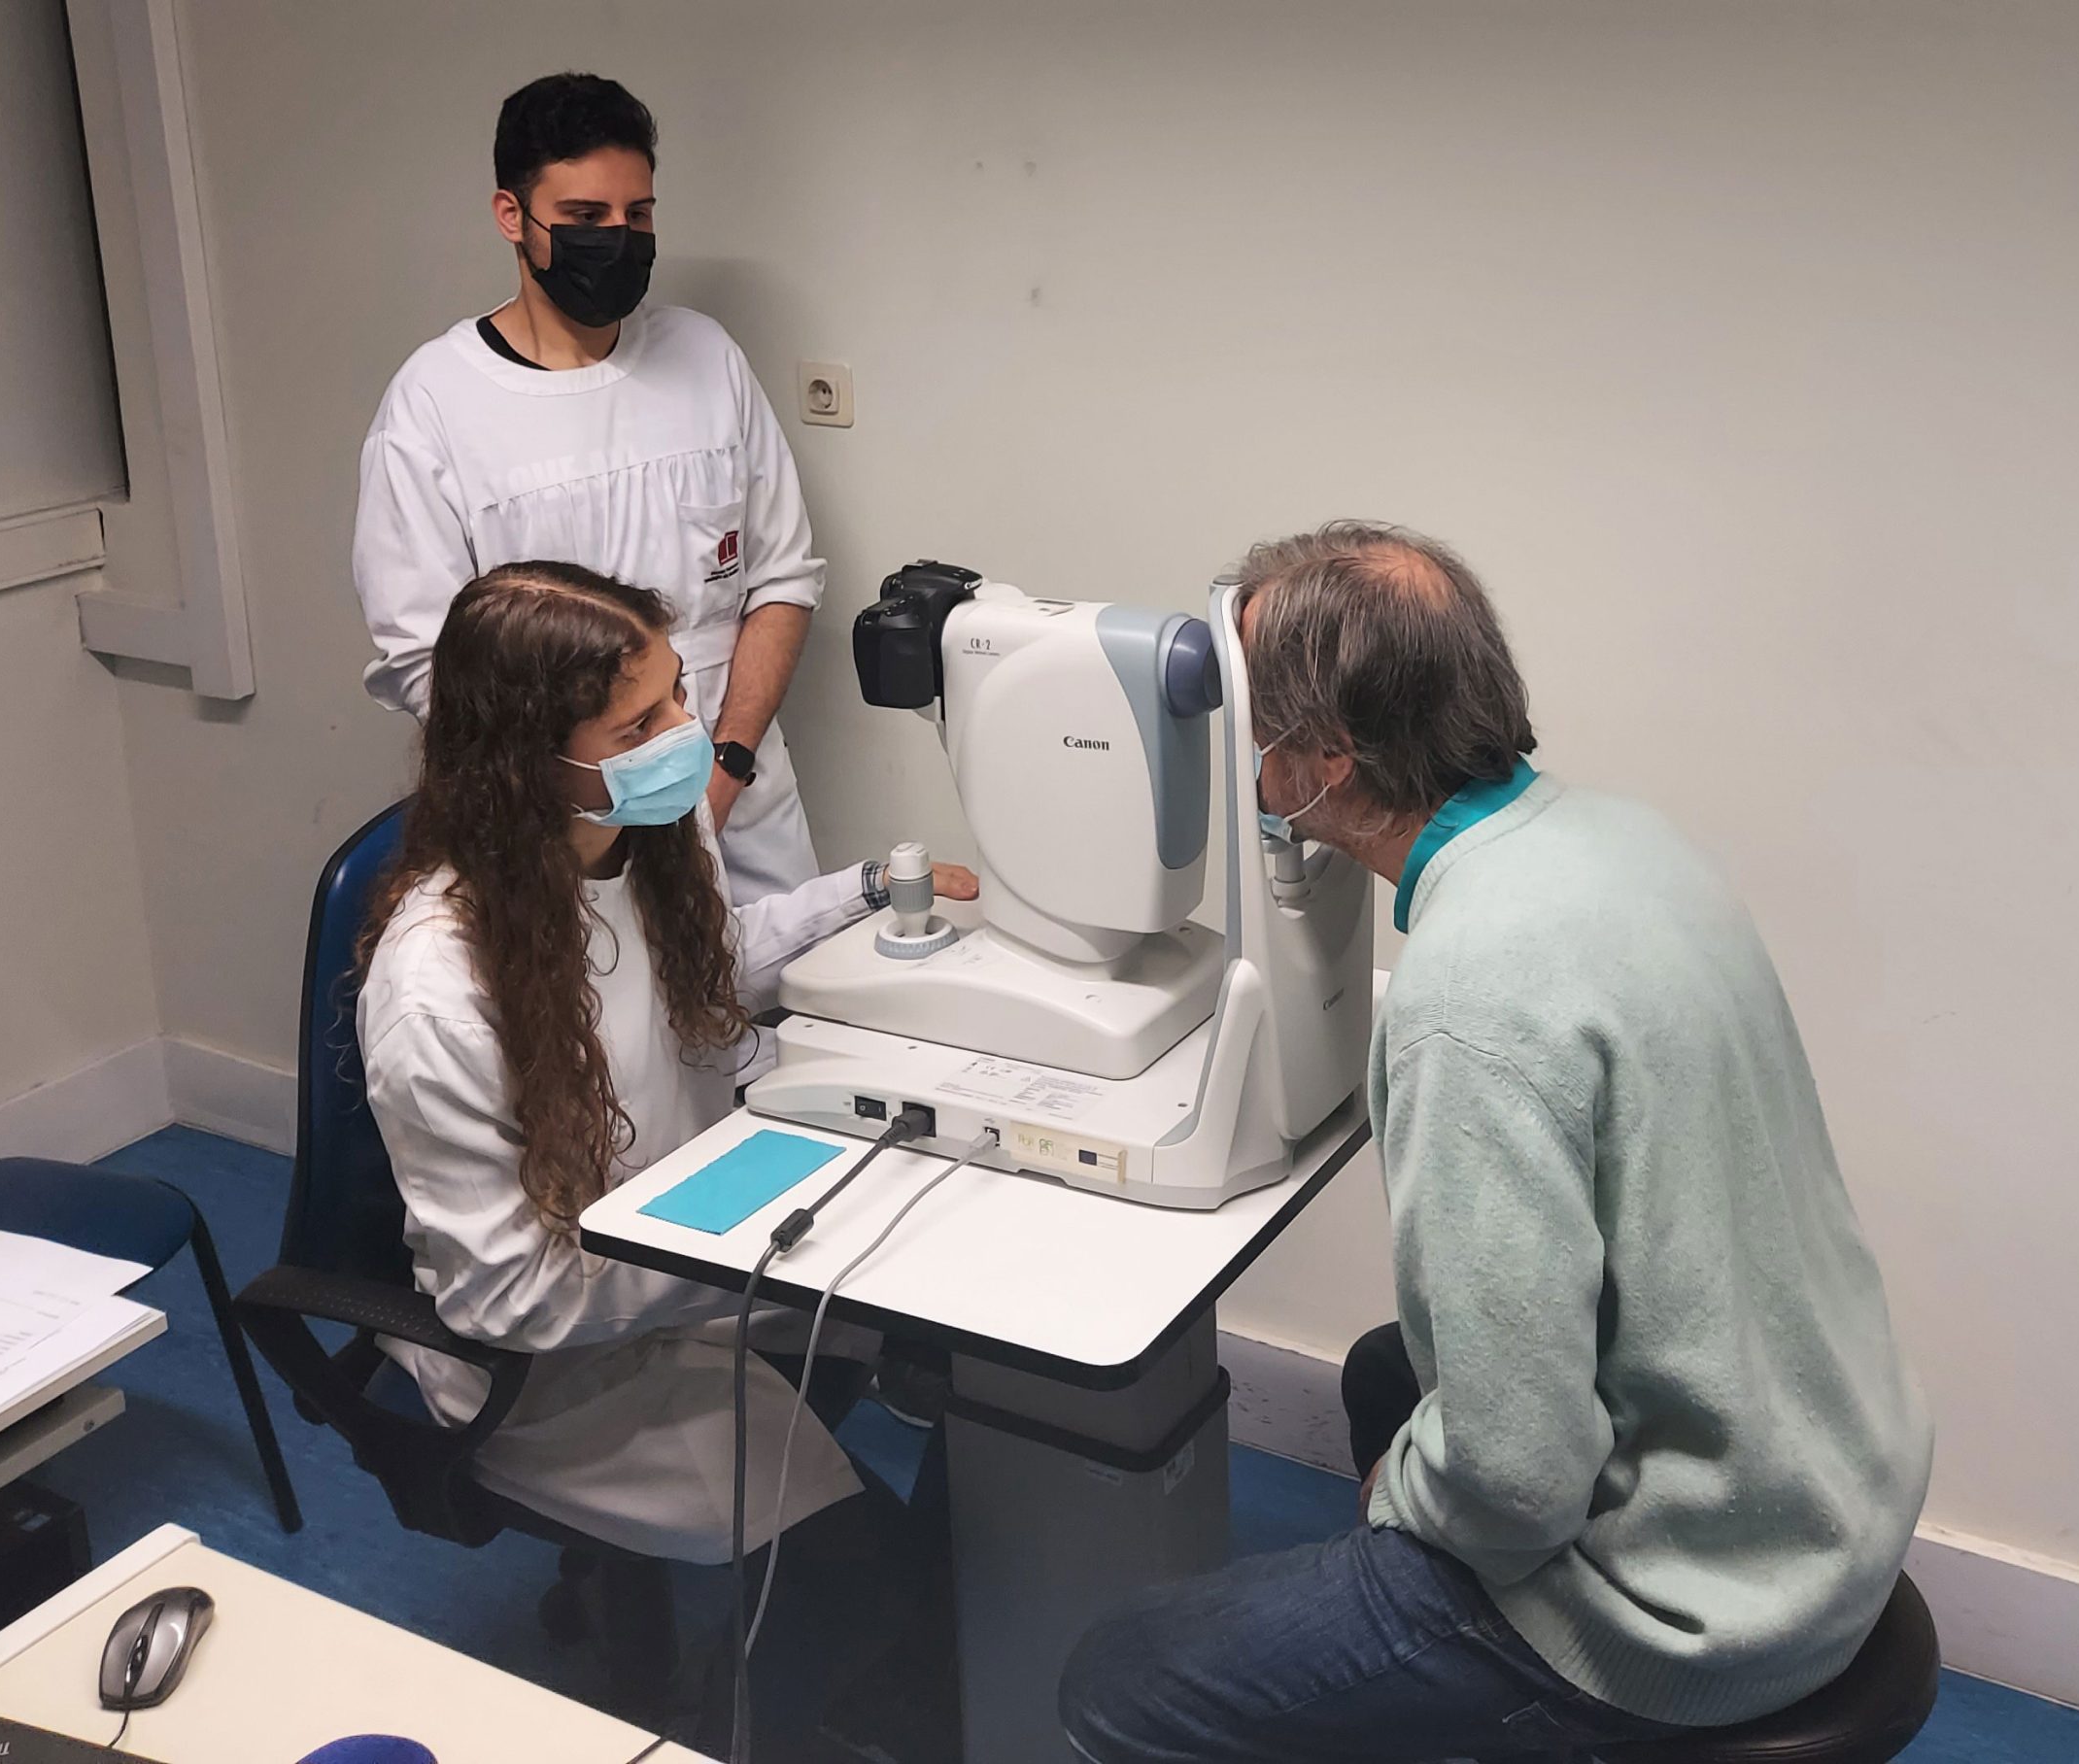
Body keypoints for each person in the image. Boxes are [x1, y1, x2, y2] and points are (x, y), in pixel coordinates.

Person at [1060, 523, 1933, 1763]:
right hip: (1823, 1486)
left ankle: (1507, 1685)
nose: (1240, 754)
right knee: (1382, 1371)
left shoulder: (1470, 998)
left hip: (1694, 1607)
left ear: (1325, 757)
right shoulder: (1622, 839)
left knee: (1118, 1680)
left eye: (1251, 724)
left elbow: (1519, 1479)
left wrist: (1405, 1508)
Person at [356, 560, 971, 1757]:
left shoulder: (637, 829)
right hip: (556, 1369)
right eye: (638, 725)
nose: (687, 735)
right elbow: (510, 1298)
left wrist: (855, 893)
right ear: (526, 761)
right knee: (871, 1594)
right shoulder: (437, 989)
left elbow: (698, 967)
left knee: (970, 1344)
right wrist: (750, 1258)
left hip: (686, 1265)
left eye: (676, 694)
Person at [354, 72, 824, 903]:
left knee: (777, 983)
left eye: (636, 215)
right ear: (513, 216)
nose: (617, 237)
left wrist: (723, 771)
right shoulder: (436, 405)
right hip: (559, 840)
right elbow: (431, 662)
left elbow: (783, 582)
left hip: (739, 807)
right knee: (595, 991)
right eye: (584, 217)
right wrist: (589, 817)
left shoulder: (707, 359)